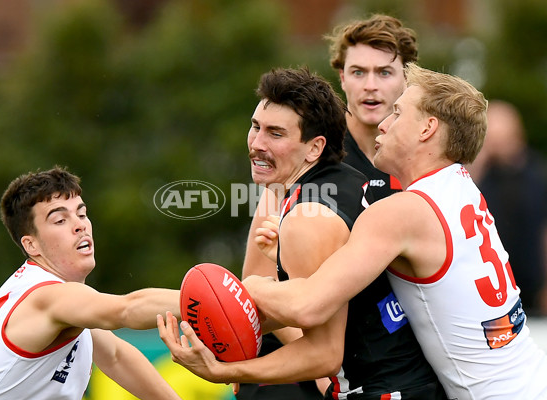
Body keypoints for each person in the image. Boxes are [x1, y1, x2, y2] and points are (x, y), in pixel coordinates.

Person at [238, 64, 547, 399]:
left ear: (428, 128)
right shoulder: (462, 186)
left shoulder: (402, 211)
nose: (383, 123)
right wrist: (287, 254)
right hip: (529, 376)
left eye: (397, 113)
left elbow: (309, 305)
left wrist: (253, 286)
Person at [158, 66, 446, 400]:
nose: (257, 144)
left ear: (314, 148)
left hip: (387, 391)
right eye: (255, 127)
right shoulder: (346, 181)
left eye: (275, 134)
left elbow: (323, 355)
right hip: (414, 381)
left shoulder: (306, 218)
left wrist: (225, 370)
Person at [238, 15, 444, 399]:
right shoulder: (302, 158)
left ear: (408, 81)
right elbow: (258, 286)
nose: (370, 85)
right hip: (305, 358)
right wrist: (322, 365)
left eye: (384, 72)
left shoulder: (418, 161)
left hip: (381, 356)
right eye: (358, 71)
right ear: (342, 78)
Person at [0, 166, 182, 400]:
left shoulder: (48, 291)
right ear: (31, 245)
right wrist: (205, 299)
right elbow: (127, 309)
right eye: (60, 220)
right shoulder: (48, 296)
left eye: (81, 214)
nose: (80, 225)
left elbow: (115, 356)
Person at [469, 100, 547, 316]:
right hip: (488, 289)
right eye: (490, 138)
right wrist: (481, 157)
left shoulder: (536, 175)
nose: (497, 144)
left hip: (531, 287)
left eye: (502, 137)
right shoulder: (479, 175)